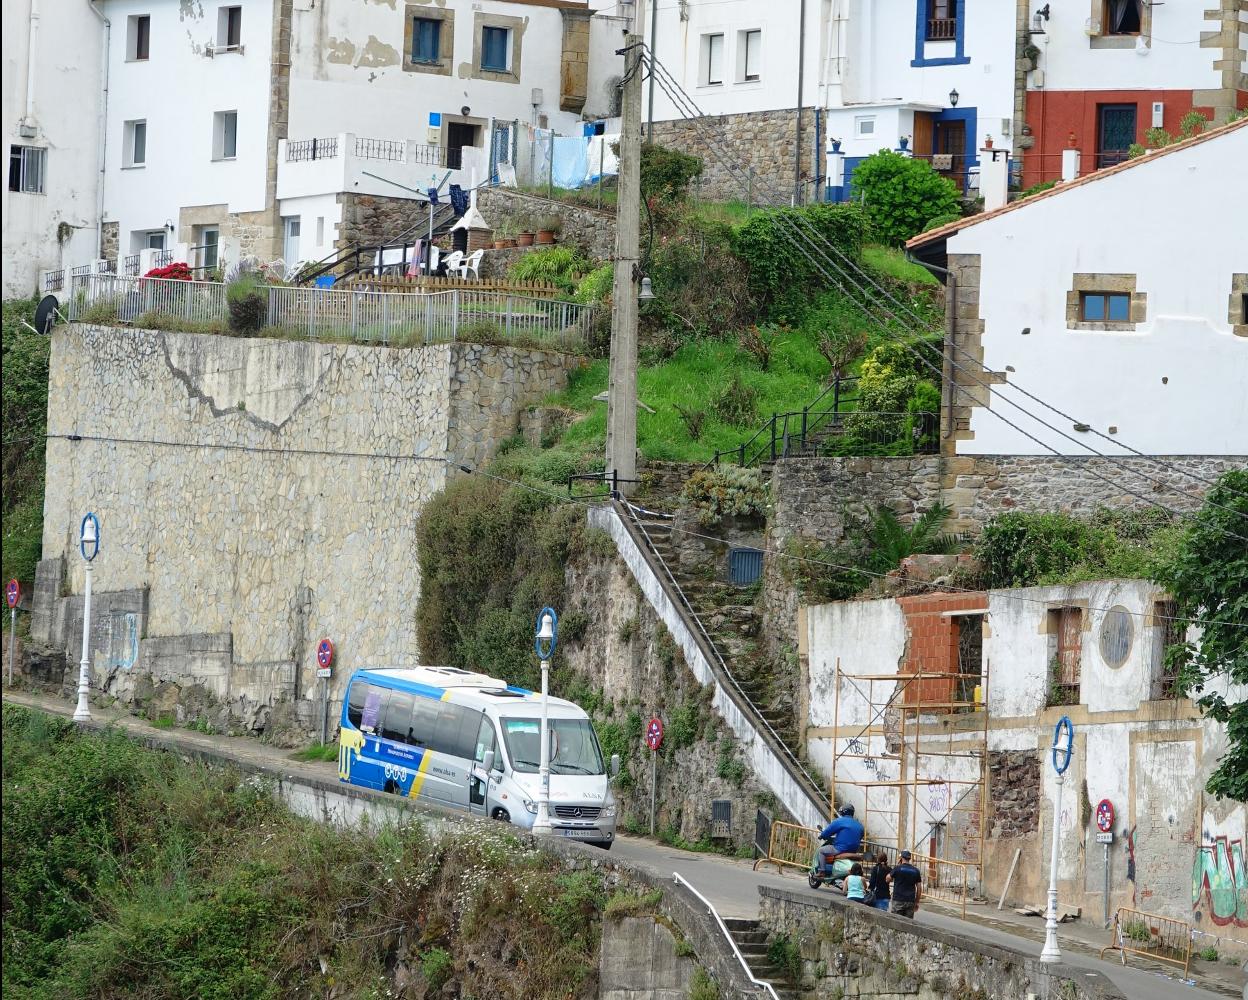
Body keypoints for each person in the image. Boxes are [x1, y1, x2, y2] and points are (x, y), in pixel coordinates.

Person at [816, 804, 865, 873]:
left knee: (821, 851)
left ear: (843, 812)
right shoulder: (860, 825)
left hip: (840, 849)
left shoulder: (839, 821)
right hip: (853, 851)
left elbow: (828, 831)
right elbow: (860, 836)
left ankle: (821, 872)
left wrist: (822, 836)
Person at [887, 850, 923, 918]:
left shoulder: (898, 868)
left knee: (896, 921)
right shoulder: (916, 870)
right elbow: (919, 888)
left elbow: (887, 879)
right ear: (909, 859)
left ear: (901, 858)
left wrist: (896, 868)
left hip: (898, 900)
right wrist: (917, 901)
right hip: (910, 901)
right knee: (908, 923)